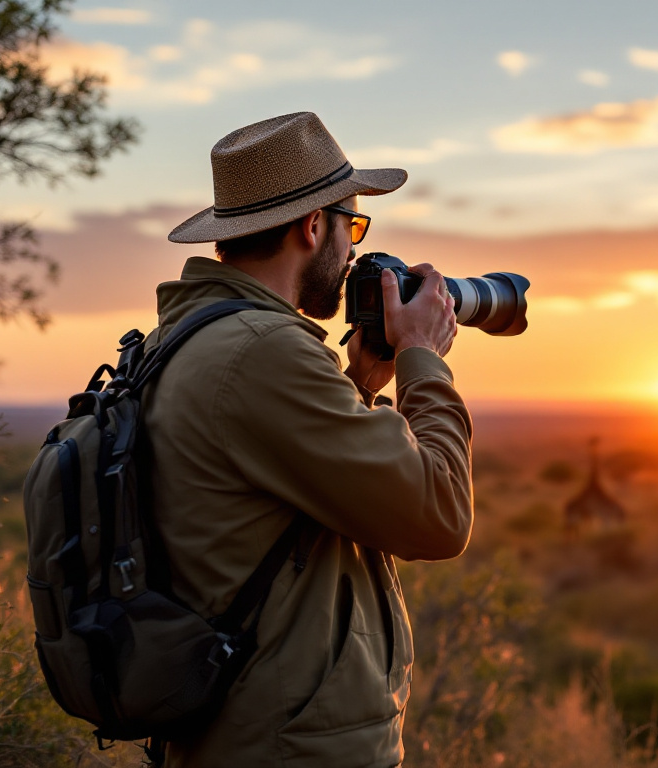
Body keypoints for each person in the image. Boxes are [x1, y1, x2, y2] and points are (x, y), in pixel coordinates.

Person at [150, 112, 472, 766]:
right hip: (287, 748)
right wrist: (423, 358)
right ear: (312, 225)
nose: (353, 251)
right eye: (352, 226)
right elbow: (441, 517)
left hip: (240, 732)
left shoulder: (191, 338)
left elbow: (268, 501)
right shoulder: (265, 353)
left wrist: (359, 383)